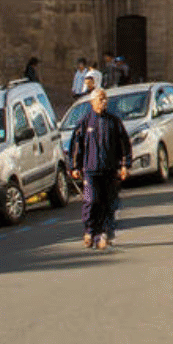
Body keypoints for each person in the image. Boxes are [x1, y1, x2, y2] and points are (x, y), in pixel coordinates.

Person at [67, 86, 131, 250]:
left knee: (109, 202)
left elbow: (124, 144)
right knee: (91, 201)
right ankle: (90, 230)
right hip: (90, 171)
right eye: (100, 99)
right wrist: (75, 166)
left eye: (105, 99)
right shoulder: (85, 123)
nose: (103, 102)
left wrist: (124, 165)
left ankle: (105, 233)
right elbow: (76, 145)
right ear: (92, 102)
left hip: (109, 170)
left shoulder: (114, 122)